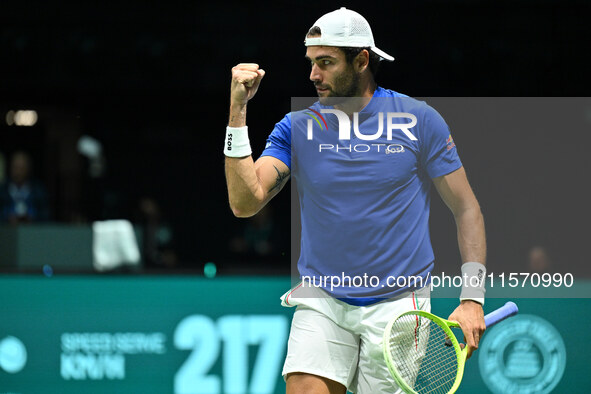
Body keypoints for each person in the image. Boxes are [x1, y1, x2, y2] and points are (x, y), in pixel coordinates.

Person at [224, 7, 487, 394]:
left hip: (398, 305)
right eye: (311, 63)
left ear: (362, 60)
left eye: (326, 63)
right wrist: (237, 111)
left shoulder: (419, 120)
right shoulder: (297, 127)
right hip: (324, 298)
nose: (314, 75)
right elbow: (245, 203)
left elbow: (466, 208)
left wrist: (472, 298)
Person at [0, 150, 50, 223]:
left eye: (22, 168)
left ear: (28, 169)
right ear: (10, 168)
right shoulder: (2, 190)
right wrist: (7, 219)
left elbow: (46, 216)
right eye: (16, 168)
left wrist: (32, 220)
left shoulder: (38, 191)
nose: (18, 172)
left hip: (33, 232)